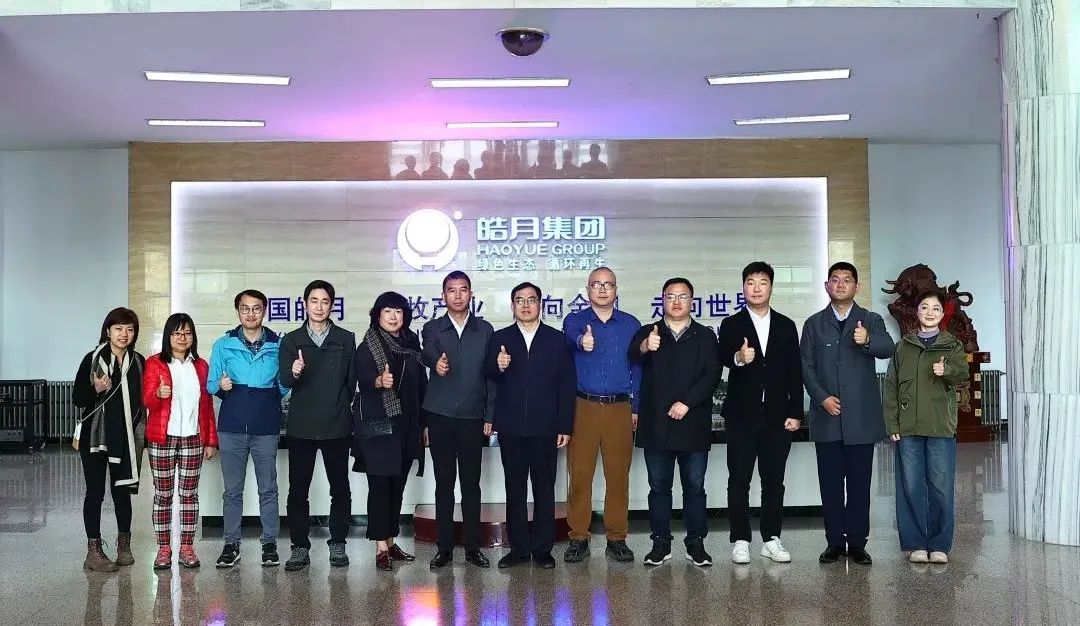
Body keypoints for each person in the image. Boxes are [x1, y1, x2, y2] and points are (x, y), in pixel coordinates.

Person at [800, 262, 893, 565]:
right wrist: (822, 398)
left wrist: (868, 340)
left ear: (857, 286)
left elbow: (887, 348)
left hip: (861, 419)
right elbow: (806, 366)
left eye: (847, 280)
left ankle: (857, 543)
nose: (840, 284)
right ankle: (834, 543)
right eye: (835, 280)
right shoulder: (814, 324)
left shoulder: (870, 319)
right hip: (827, 417)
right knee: (829, 485)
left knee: (859, 485)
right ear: (827, 286)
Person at [630, 278, 721, 567]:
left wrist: (687, 403)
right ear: (662, 300)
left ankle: (696, 543)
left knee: (695, 487)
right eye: (671, 296)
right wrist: (646, 346)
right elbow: (632, 355)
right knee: (659, 487)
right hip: (656, 425)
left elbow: (712, 374)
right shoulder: (650, 331)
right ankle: (660, 543)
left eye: (683, 296)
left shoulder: (705, 335)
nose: (677, 301)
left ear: (692, 301)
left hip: (693, 423)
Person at [485, 282, 576, 569]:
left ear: (540, 305)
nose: (525, 305)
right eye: (520, 300)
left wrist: (565, 425)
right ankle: (519, 549)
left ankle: (542, 549)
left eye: (531, 300)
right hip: (511, 427)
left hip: (546, 427)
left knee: (544, 489)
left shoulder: (556, 339)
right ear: (512, 306)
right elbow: (488, 375)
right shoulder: (500, 338)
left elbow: (567, 384)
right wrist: (498, 365)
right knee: (514, 489)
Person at [717, 262, 803, 565]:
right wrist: (739, 357)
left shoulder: (786, 325)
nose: (756, 288)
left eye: (762, 282)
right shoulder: (731, 324)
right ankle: (740, 539)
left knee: (774, 480)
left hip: (777, 416)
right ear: (743, 287)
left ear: (771, 287)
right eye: (751, 282)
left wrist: (796, 411)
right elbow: (722, 356)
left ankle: (771, 538)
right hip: (741, 415)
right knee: (739, 479)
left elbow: (795, 372)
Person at [561, 267, 640, 563]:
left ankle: (617, 538)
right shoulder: (575, 320)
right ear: (588, 290)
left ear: (616, 290)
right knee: (580, 475)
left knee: (618, 475)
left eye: (608, 285)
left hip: (620, 407)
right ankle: (578, 537)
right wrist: (582, 341)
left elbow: (638, 367)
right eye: (596, 284)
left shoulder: (631, 324)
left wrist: (636, 407)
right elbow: (571, 337)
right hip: (584, 406)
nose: (603, 289)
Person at [278, 280, 357, 571]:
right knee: (298, 490)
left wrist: (339, 407)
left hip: (337, 425)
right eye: (314, 301)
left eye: (325, 301)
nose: (319, 307)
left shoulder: (345, 338)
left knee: (340, 488)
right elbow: (285, 381)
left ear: (332, 305)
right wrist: (295, 371)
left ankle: (338, 543)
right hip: (302, 427)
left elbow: (351, 382)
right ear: (305, 304)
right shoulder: (292, 340)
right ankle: (299, 547)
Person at [884, 291, 967, 565]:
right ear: (916, 311)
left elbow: (963, 374)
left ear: (942, 314)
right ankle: (915, 543)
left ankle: (940, 543)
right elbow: (891, 387)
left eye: (935, 308)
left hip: (940, 426)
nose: (930, 312)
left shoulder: (952, 345)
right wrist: (892, 422)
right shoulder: (903, 346)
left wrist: (947, 371)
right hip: (908, 427)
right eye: (924, 307)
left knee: (941, 487)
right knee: (911, 486)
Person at [208, 289, 288, 569]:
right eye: (245, 308)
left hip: (265, 425)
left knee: (268, 488)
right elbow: (211, 384)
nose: (251, 313)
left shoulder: (278, 345)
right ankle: (231, 545)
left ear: (264, 311)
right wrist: (222, 386)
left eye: (256, 308)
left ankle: (269, 544)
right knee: (232, 490)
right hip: (231, 426)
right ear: (238, 312)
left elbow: (284, 386)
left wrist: (285, 383)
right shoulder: (223, 344)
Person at [421, 271, 495, 570]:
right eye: (451, 290)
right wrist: (435, 362)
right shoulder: (433, 328)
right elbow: (427, 351)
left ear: (471, 294)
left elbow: (491, 376)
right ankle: (444, 547)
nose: (458, 295)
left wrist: (490, 415)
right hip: (439, 415)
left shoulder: (485, 330)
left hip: (472, 417)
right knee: (444, 483)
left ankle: (473, 547)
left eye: (463, 290)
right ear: (443, 296)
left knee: (471, 484)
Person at [351, 291, 427, 571]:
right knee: (381, 488)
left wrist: (424, 424)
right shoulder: (368, 346)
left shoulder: (411, 344)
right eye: (387, 311)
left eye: (398, 311)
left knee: (397, 487)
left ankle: (392, 541)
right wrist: (378, 381)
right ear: (377, 315)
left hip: (406, 427)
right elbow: (362, 377)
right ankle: (380, 547)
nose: (394, 317)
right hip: (379, 428)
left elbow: (421, 385)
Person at [72, 307, 146, 572]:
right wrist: (96, 389)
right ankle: (93, 552)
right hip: (95, 436)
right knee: (95, 492)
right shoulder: (92, 359)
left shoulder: (138, 362)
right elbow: (78, 398)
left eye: (129, 329)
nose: (124, 334)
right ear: (108, 331)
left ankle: (124, 547)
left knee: (121, 490)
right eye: (118, 328)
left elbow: (142, 398)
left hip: (125, 436)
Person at [142, 313, 219, 569]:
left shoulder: (201, 366)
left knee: (188, 495)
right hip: (162, 439)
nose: (182, 338)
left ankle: (187, 547)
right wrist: (157, 393)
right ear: (168, 336)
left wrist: (210, 441)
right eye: (177, 333)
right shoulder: (155, 363)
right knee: (163, 495)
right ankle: (164, 548)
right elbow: (147, 401)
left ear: (193, 337)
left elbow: (207, 406)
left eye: (187, 333)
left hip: (193, 439)